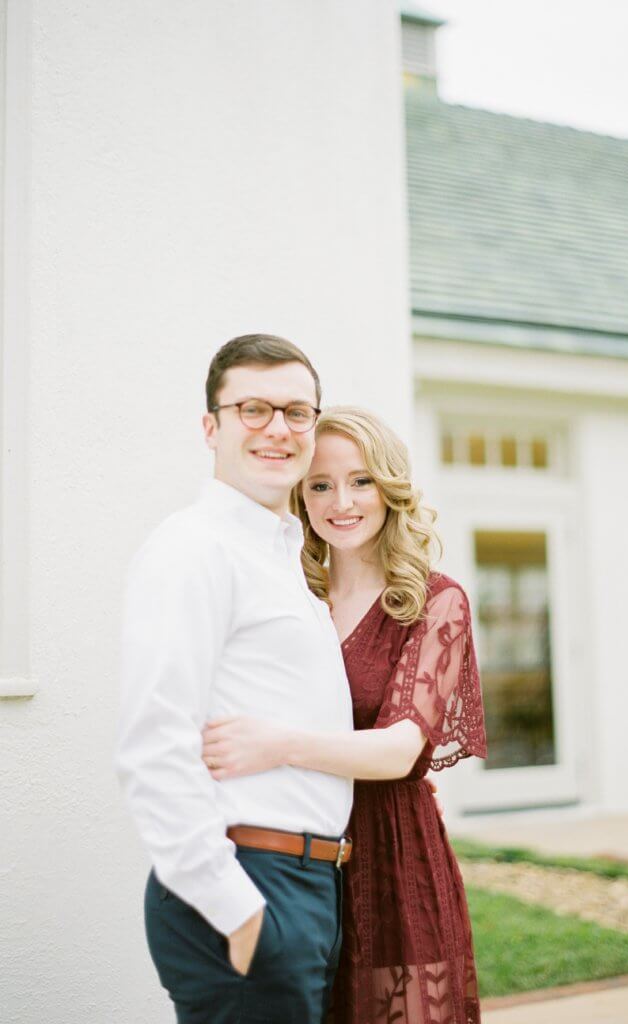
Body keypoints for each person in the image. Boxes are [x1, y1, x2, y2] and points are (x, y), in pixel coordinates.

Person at [201, 406, 488, 1024]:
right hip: (290, 856)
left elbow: (399, 750)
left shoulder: (435, 602)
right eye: (321, 485)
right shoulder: (289, 596)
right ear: (301, 497)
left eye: (360, 480)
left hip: (391, 856)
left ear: (390, 487)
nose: (342, 502)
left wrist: (277, 744)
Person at [116, 334, 355, 1024]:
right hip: (250, 887)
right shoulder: (193, 549)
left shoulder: (286, 558)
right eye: (253, 408)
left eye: (297, 411)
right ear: (210, 427)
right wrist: (240, 913)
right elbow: (153, 744)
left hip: (306, 887)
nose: (277, 428)